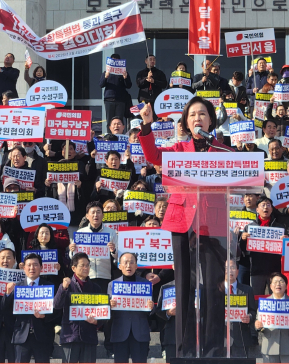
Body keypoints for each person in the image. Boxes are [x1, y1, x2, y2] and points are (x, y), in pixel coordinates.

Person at [137, 96, 234, 358]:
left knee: (214, 289)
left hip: (212, 225)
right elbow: (152, 155)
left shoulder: (224, 151)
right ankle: (184, 352)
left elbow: (242, 174)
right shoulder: (178, 149)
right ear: (186, 122)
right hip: (182, 223)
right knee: (184, 288)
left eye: (202, 114)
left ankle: (214, 350)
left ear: (210, 120)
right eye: (192, 115)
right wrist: (147, 126)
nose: (197, 118)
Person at [6, 253, 60, 363]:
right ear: (23, 267)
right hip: (21, 335)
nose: (32, 268)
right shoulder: (17, 286)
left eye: (35, 265)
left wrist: (44, 316)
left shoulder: (49, 287)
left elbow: (57, 312)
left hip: (43, 336)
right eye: (29, 265)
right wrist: (8, 294)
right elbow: (5, 309)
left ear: (41, 267)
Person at [54, 252, 102, 363]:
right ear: (73, 268)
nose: (86, 268)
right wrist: (63, 288)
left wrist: (96, 322)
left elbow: (102, 311)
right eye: (82, 265)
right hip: (70, 335)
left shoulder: (96, 288)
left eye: (88, 265)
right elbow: (56, 305)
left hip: (89, 336)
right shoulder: (66, 285)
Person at [108, 252, 155, 363]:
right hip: (120, 332)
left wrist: (151, 307)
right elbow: (107, 313)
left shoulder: (145, 284)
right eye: (125, 263)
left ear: (136, 266)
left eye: (132, 262)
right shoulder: (112, 285)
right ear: (120, 266)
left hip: (140, 333)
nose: (128, 266)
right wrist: (109, 306)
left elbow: (151, 313)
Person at [255, 272, 289, 363]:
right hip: (269, 347)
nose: (278, 284)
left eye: (281, 281)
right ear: (271, 286)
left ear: (286, 286)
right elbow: (258, 321)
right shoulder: (264, 303)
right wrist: (258, 325)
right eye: (275, 282)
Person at [223, 259, 256, 358]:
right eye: (227, 268)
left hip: (241, 339)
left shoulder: (247, 290)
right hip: (221, 340)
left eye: (233, 268)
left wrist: (249, 317)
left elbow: (253, 311)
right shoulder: (216, 290)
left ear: (237, 271)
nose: (230, 271)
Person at [101, 53, 133, 123]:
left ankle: (119, 134)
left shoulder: (124, 73)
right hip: (109, 99)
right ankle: (109, 134)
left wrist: (125, 78)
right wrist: (106, 77)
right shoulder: (106, 73)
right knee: (109, 121)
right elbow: (101, 84)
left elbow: (129, 85)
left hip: (120, 100)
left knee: (119, 120)